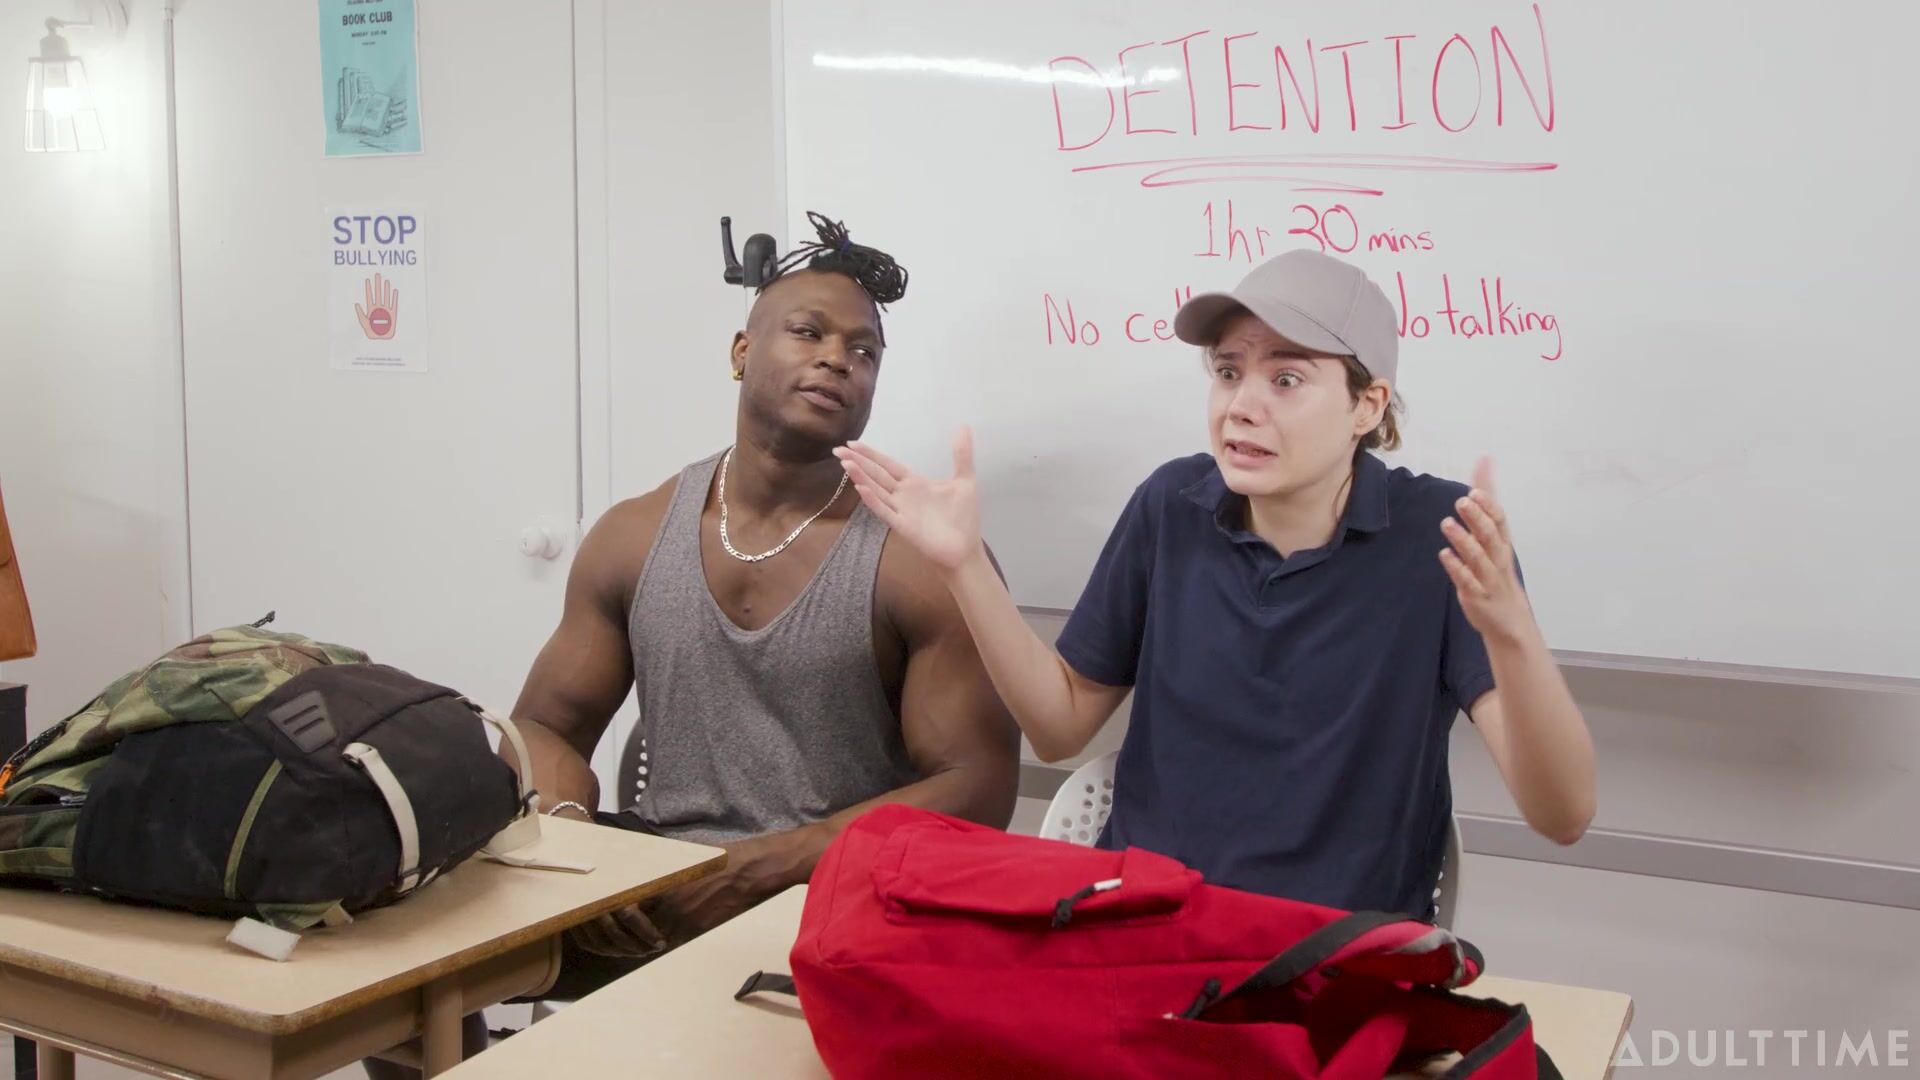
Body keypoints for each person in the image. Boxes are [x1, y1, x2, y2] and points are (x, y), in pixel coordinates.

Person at [364, 214, 1018, 1078]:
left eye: (864, 352)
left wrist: (762, 867)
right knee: (398, 965)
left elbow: (977, 787)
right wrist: (578, 847)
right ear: (742, 352)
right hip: (653, 887)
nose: (838, 360)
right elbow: (546, 727)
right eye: (809, 332)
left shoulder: (919, 558)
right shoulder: (634, 535)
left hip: (836, 901)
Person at [835, 248, 1596, 920]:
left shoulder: (1442, 536)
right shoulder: (1173, 505)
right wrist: (964, 567)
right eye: (1229, 372)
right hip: (1140, 927)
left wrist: (1512, 636)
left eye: (1286, 378)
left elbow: (1561, 816)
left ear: (1366, 405)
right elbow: (1060, 725)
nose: (1241, 406)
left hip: (1331, 961)